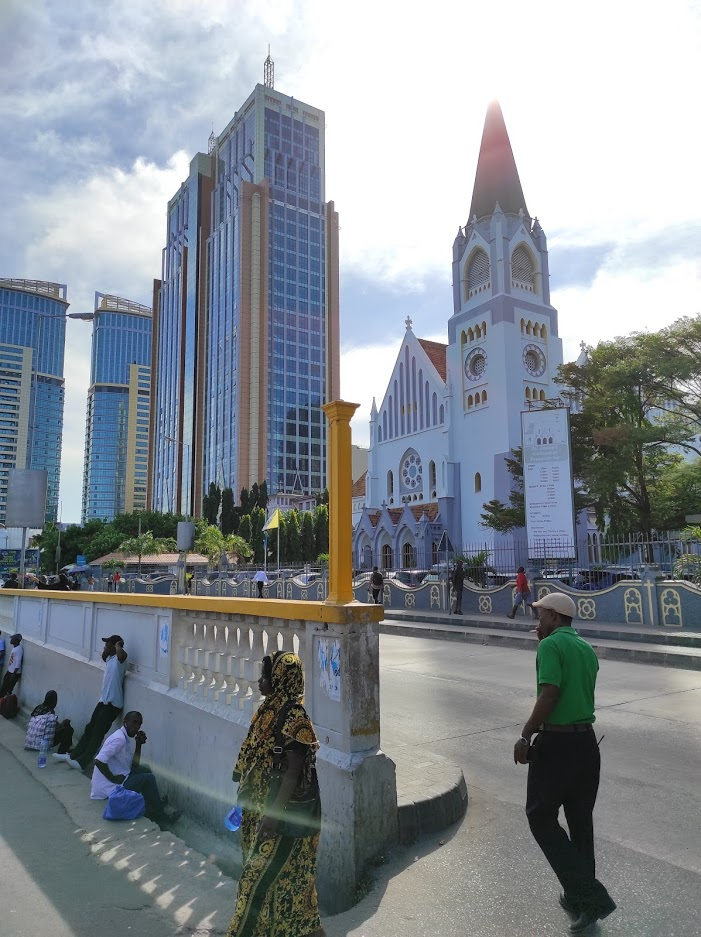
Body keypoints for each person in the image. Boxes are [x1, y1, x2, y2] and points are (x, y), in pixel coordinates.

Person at [513, 593, 616, 934]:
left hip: (556, 745)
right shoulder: (585, 648)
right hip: (586, 745)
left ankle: (591, 897)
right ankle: (580, 900)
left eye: (541, 615)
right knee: (580, 825)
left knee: (540, 817)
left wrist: (525, 735)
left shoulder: (551, 645)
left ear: (555, 618)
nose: (537, 621)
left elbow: (550, 694)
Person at [228, 651, 324, 937]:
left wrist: (271, 817)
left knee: (253, 884)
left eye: (265, 677)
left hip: (282, 816)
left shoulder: (294, 716)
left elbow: (293, 773)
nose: (260, 682)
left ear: (281, 680)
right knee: (290, 890)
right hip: (261, 811)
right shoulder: (267, 711)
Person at [91, 711, 181, 829]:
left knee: (145, 769)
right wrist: (112, 778)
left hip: (119, 777)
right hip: (109, 788)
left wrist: (138, 744)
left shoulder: (124, 737)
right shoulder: (119, 739)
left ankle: (154, 804)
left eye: (139, 724)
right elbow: (98, 760)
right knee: (149, 779)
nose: (137, 726)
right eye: (134, 722)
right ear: (125, 722)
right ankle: (160, 816)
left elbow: (134, 765)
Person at [53, 634, 128, 771]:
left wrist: (118, 644)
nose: (104, 647)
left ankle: (82, 763)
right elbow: (104, 656)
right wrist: (107, 651)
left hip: (112, 705)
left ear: (115, 646)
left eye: (107, 644)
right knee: (89, 729)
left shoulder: (120, 660)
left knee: (97, 734)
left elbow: (122, 655)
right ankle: (73, 756)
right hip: (103, 702)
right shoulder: (111, 660)